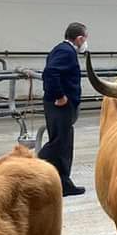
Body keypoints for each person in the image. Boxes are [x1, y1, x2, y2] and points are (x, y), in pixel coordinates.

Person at [40, 22, 88, 197]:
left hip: (60, 105)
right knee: (59, 143)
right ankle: (29, 165)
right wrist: (59, 95)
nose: (85, 43)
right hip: (60, 106)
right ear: (79, 38)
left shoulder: (62, 50)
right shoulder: (65, 52)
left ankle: (63, 182)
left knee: (64, 144)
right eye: (85, 39)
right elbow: (50, 73)